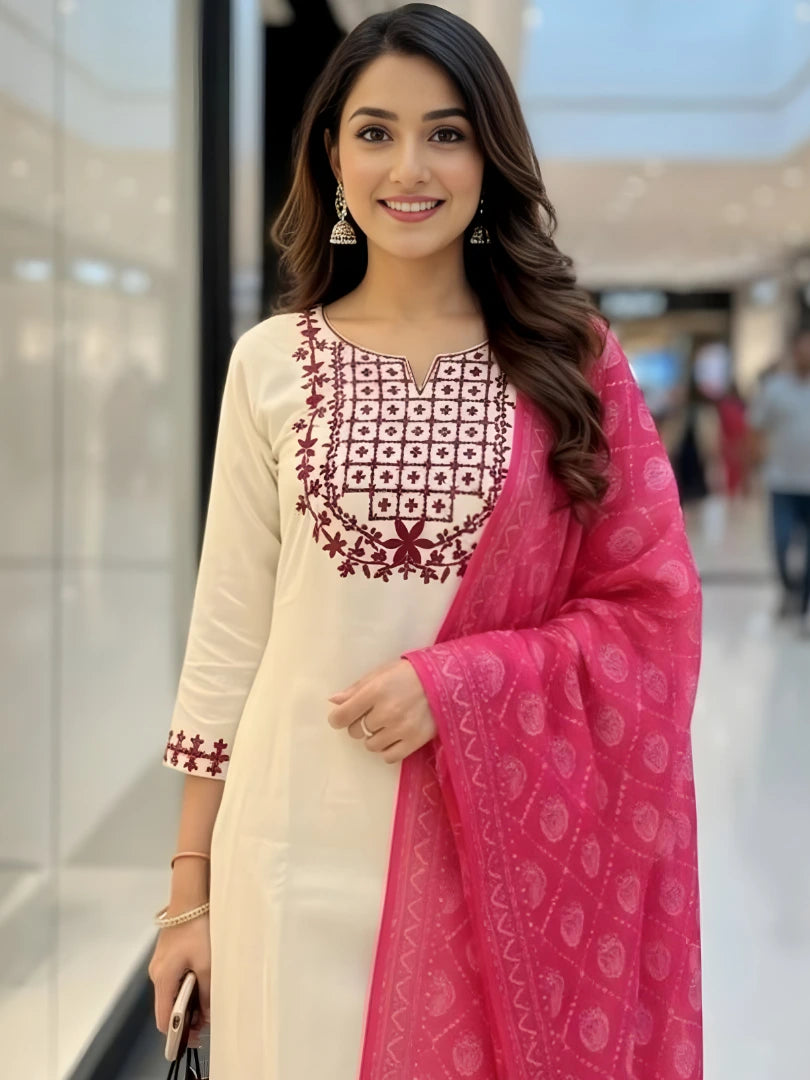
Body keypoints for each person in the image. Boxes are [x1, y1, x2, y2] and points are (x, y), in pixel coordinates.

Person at [147, 6, 703, 1078]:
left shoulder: (569, 361)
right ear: (331, 154)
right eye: (375, 131)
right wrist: (186, 898)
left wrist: (462, 683)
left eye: (446, 132)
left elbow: (653, 612)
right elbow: (226, 644)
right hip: (289, 852)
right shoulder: (268, 365)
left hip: (494, 863)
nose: (411, 166)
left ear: (490, 156)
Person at [749, 327, 810, 630]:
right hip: (782, 483)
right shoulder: (775, 389)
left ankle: (803, 606)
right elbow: (756, 429)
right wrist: (754, 464)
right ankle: (789, 590)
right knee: (782, 543)